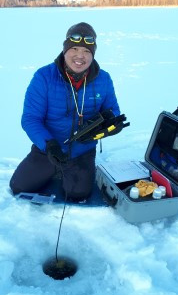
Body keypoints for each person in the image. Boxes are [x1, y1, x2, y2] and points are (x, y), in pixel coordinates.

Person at [9, 22, 121, 202]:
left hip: (82, 151)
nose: (80, 56)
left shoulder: (104, 79)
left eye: (86, 51)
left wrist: (112, 125)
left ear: (93, 54)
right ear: (65, 49)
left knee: (77, 194)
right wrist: (49, 145)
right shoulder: (44, 77)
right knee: (19, 187)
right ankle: (52, 167)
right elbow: (30, 119)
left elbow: (113, 111)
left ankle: (73, 172)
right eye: (75, 49)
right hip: (48, 148)